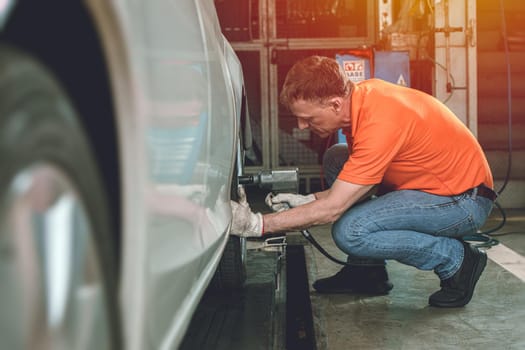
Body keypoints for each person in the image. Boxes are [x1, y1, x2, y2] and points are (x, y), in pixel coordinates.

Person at [230, 55, 496, 308]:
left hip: (462, 202)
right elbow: (358, 183)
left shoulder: (380, 120)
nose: (301, 126)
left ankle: (456, 260)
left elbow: (333, 209)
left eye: (308, 118)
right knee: (337, 157)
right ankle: (366, 272)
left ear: (335, 103)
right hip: (431, 188)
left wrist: (258, 224)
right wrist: (310, 200)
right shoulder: (363, 99)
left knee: (350, 231)